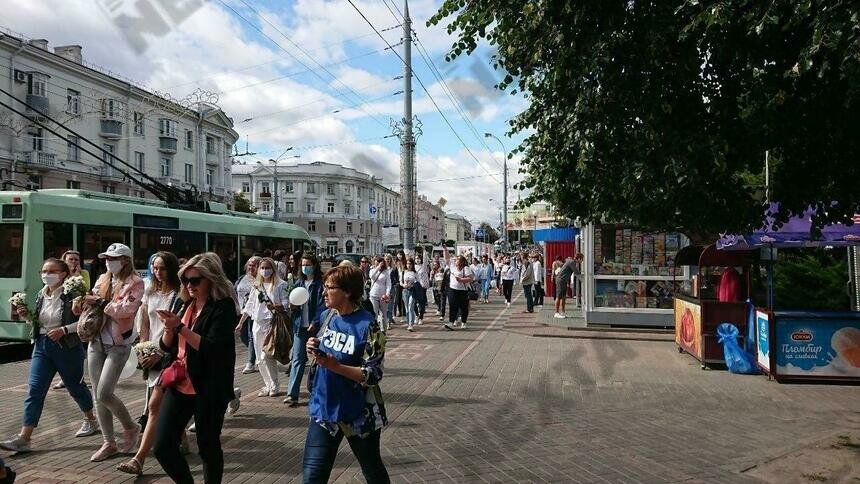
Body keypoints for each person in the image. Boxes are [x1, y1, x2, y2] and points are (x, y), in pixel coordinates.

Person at [153, 253, 238, 484]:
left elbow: (211, 348)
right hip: (180, 381)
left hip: (208, 385)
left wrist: (179, 327)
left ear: (211, 279)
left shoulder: (223, 307)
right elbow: (165, 346)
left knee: (208, 446)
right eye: (186, 280)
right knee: (162, 446)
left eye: (195, 280)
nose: (189, 286)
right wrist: (170, 329)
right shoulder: (184, 303)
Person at [0, 258, 99, 454]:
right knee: (35, 391)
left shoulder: (73, 293)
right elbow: (39, 323)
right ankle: (24, 438)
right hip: (42, 346)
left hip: (66, 346)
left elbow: (87, 321)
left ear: (63, 274)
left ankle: (91, 419)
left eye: (51, 271)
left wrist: (63, 330)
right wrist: (26, 315)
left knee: (75, 387)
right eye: (44, 271)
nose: (47, 275)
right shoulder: (40, 294)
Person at [303, 265, 389, 483]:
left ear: (347, 292)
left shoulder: (368, 325)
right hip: (324, 407)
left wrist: (335, 366)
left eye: (329, 288)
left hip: (358, 413)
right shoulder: (327, 316)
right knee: (312, 475)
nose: (323, 292)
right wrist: (311, 347)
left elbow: (373, 374)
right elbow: (321, 354)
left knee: (372, 470)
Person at [117, 251, 200, 476]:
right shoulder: (150, 292)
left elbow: (178, 330)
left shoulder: (179, 295)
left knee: (154, 407)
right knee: (162, 404)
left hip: (170, 356)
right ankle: (182, 440)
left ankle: (139, 458)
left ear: (172, 269)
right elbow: (144, 322)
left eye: (162, 267)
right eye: (154, 267)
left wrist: (161, 353)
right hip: (152, 352)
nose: (157, 272)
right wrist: (144, 348)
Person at [74, 243, 144, 462]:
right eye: (106, 258)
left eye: (113, 258)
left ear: (125, 260)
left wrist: (102, 302)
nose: (108, 262)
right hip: (95, 341)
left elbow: (126, 310)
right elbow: (91, 304)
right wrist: (81, 303)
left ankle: (131, 427)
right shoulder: (103, 279)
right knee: (97, 394)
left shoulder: (136, 282)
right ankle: (108, 442)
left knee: (105, 393)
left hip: (118, 344)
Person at [236, 257, 289, 397]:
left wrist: (276, 306)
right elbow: (250, 305)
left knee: (267, 355)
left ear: (273, 269)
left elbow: (286, 304)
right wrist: (241, 322)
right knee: (259, 358)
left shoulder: (280, 285)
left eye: (268, 268)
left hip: (272, 323)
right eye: (262, 268)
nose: (265, 271)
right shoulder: (256, 286)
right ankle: (268, 385)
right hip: (257, 324)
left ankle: (275, 385)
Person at [285, 253, 324, 407]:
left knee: (319, 360)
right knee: (298, 360)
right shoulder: (298, 283)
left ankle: (318, 393)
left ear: (314, 265)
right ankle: (292, 394)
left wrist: (315, 321)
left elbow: (323, 306)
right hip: (300, 326)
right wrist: (292, 307)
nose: (305, 267)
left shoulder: (320, 284)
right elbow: (293, 302)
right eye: (303, 265)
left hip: (316, 328)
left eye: (308, 264)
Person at [234, 256, 261, 374]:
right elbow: (235, 292)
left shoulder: (261, 280)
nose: (251, 267)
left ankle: (250, 362)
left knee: (250, 336)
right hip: (241, 312)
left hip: (254, 313)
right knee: (243, 336)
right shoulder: (242, 278)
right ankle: (256, 352)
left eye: (254, 265)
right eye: (249, 265)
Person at [443, 246, 474, 331]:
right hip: (452, 289)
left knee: (463, 307)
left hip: (463, 291)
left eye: (458, 260)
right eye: (456, 259)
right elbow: (447, 259)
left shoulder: (466, 268)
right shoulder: (452, 266)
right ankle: (451, 322)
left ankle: (464, 322)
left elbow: (471, 278)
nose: (456, 261)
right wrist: (445, 249)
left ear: (462, 262)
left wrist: (461, 280)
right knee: (453, 305)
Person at [368, 256, 392, 331]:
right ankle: (375, 330)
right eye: (376, 263)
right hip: (373, 295)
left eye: (379, 263)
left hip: (383, 296)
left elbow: (388, 284)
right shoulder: (372, 270)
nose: (378, 265)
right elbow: (371, 276)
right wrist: (377, 267)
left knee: (383, 314)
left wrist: (387, 293)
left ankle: (383, 330)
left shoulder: (386, 272)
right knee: (374, 314)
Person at [400, 257, 418, 332]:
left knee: (411, 306)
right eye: (407, 263)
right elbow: (400, 282)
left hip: (413, 291)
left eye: (410, 264)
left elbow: (418, 282)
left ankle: (411, 325)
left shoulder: (414, 272)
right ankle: (409, 323)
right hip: (405, 290)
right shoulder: (403, 272)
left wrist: (413, 284)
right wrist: (403, 285)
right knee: (407, 308)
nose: (409, 265)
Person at [413, 248, 430, 325]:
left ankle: (421, 317)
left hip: (422, 286)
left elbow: (425, 259)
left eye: (419, 258)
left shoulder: (423, 266)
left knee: (421, 303)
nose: (417, 260)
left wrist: (424, 251)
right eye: (416, 258)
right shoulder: (413, 267)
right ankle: (416, 315)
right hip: (415, 286)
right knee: (413, 303)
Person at [383, 254, 397, 330]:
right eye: (386, 259)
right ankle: (384, 321)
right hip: (383, 288)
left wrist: (394, 283)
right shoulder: (382, 268)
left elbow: (397, 278)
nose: (387, 260)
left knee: (390, 306)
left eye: (389, 259)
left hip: (391, 289)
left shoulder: (394, 269)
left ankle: (389, 322)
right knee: (383, 306)